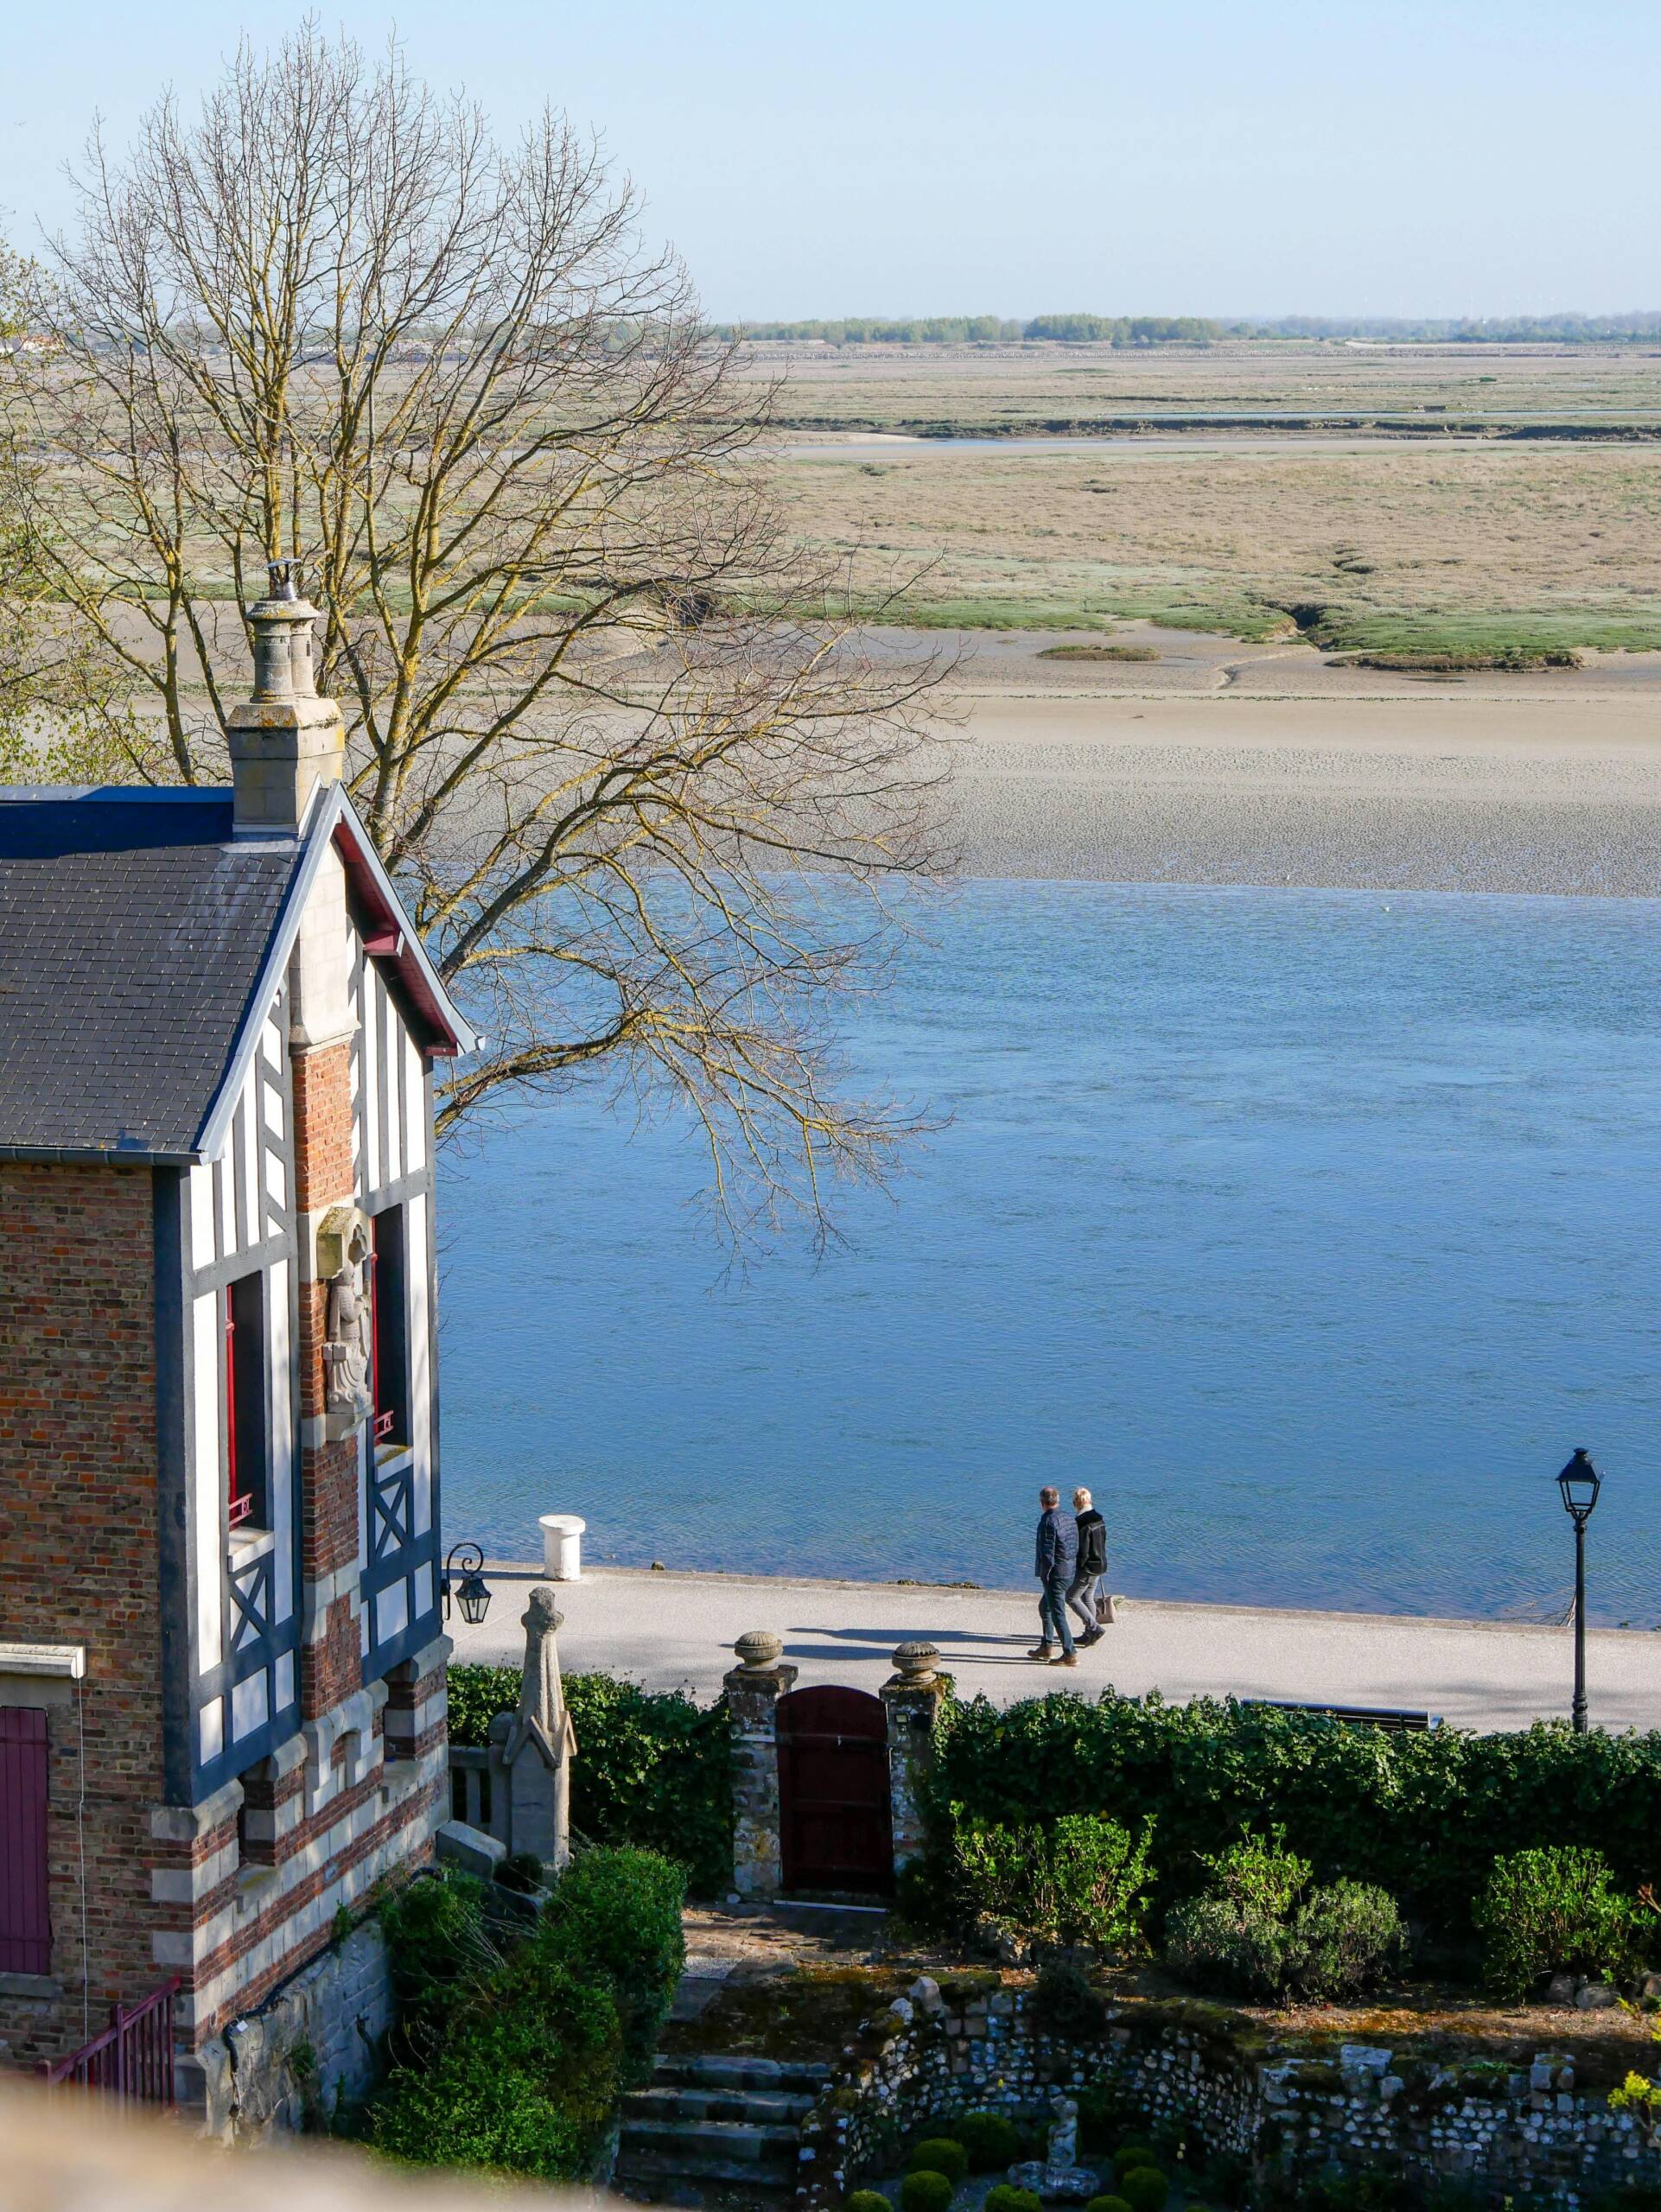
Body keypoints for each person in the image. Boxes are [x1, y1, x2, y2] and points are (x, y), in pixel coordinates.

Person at [1030, 1484, 1079, 1665]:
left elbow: (1047, 1552)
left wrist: (1045, 1574)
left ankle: (1070, 1653)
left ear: (1042, 1503)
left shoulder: (1047, 1522)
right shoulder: (1068, 1518)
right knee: (1045, 1607)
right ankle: (1047, 1646)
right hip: (1069, 1570)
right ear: (1057, 1501)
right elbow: (1075, 1544)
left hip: (1055, 1574)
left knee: (1058, 1613)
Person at [1068, 1486, 1108, 1645]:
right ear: (1090, 1500)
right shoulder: (1099, 1519)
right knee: (1087, 1597)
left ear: (1076, 1503)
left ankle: (1094, 1628)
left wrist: (1076, 1566)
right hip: (1100, 1564)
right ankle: (1089, 1634)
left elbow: (1082, 1550)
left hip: (1087, 1567)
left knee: (1071, 1597)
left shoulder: (1081, 1523)